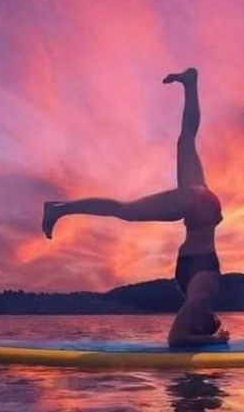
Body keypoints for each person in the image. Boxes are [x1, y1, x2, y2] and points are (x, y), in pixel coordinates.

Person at [42, 68, 228, 348]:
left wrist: (212, 338)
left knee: (186, 138)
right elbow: (176, 340)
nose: (191, 320)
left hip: (199, 209)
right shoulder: (203, 293)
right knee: (126, 210)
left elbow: (181, 334)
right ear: (200, 324)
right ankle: (59, 209)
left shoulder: (198, 296)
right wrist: (215, 340)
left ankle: (190, 83)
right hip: (198, 207)